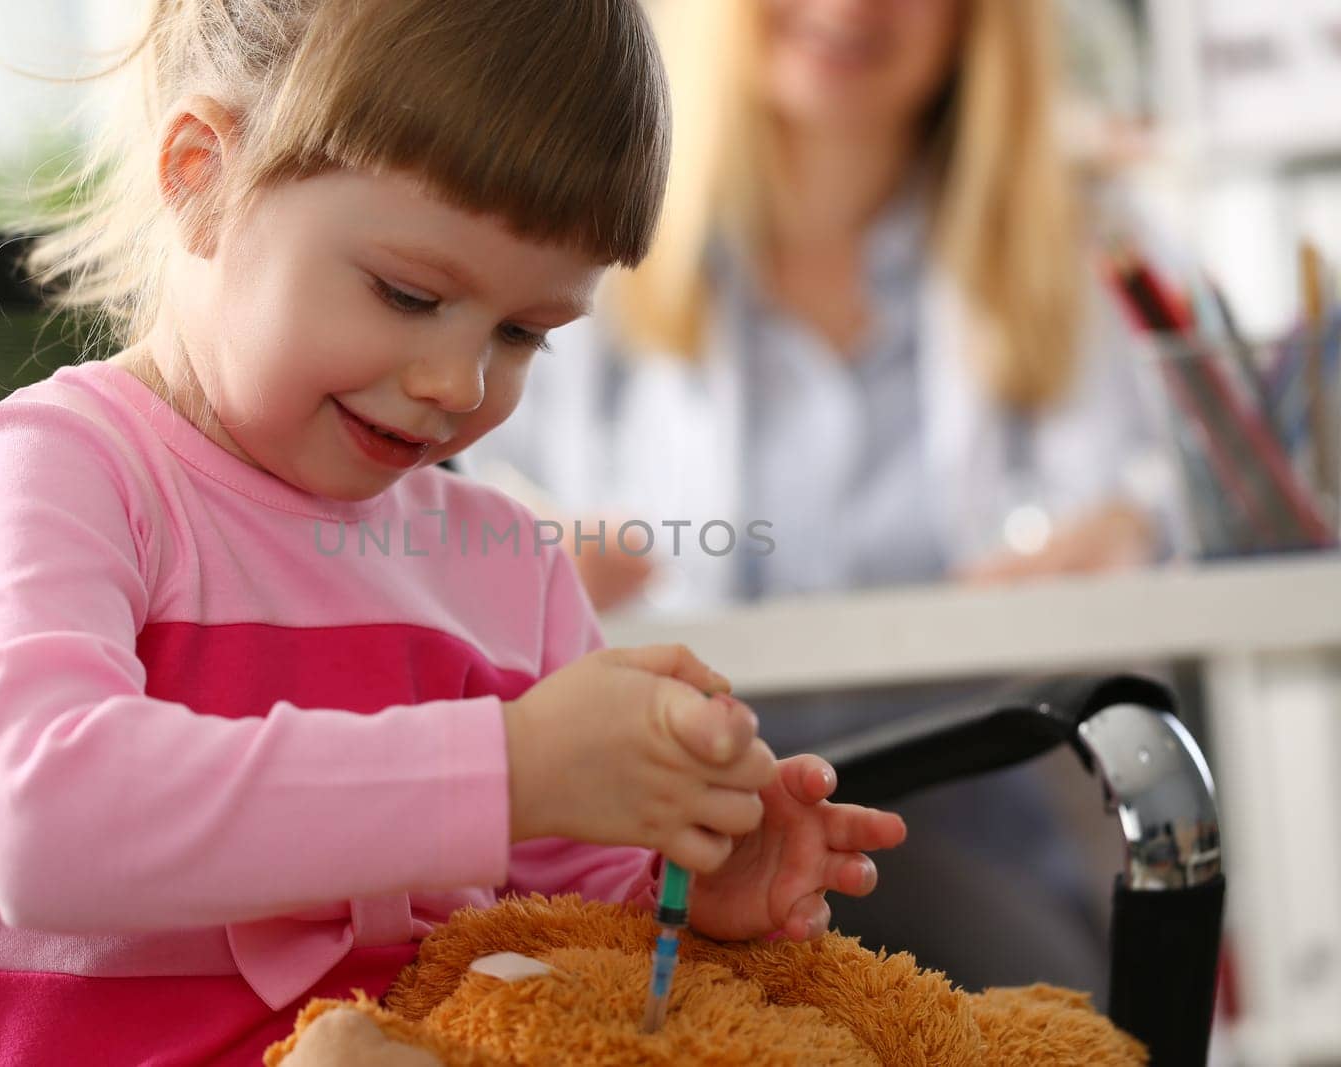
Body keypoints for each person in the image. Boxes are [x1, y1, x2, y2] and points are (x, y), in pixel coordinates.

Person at [0, 2, 909, 1063]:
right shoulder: (65, 472)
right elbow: (39, 814)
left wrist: (688, 884)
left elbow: (569, 933)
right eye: (408, 294)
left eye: (521, 333)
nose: (456, 383)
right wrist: (503, 769)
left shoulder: (508, 566)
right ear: (200, 174)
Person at [467, 0, 1179, 996]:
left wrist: (1135, 532)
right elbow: (450, 504)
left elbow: (1188, 503)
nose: (849, 8)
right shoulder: (570, 254)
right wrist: (526, 559)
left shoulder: (1080, 254)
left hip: (979, 865)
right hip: (661, 857)